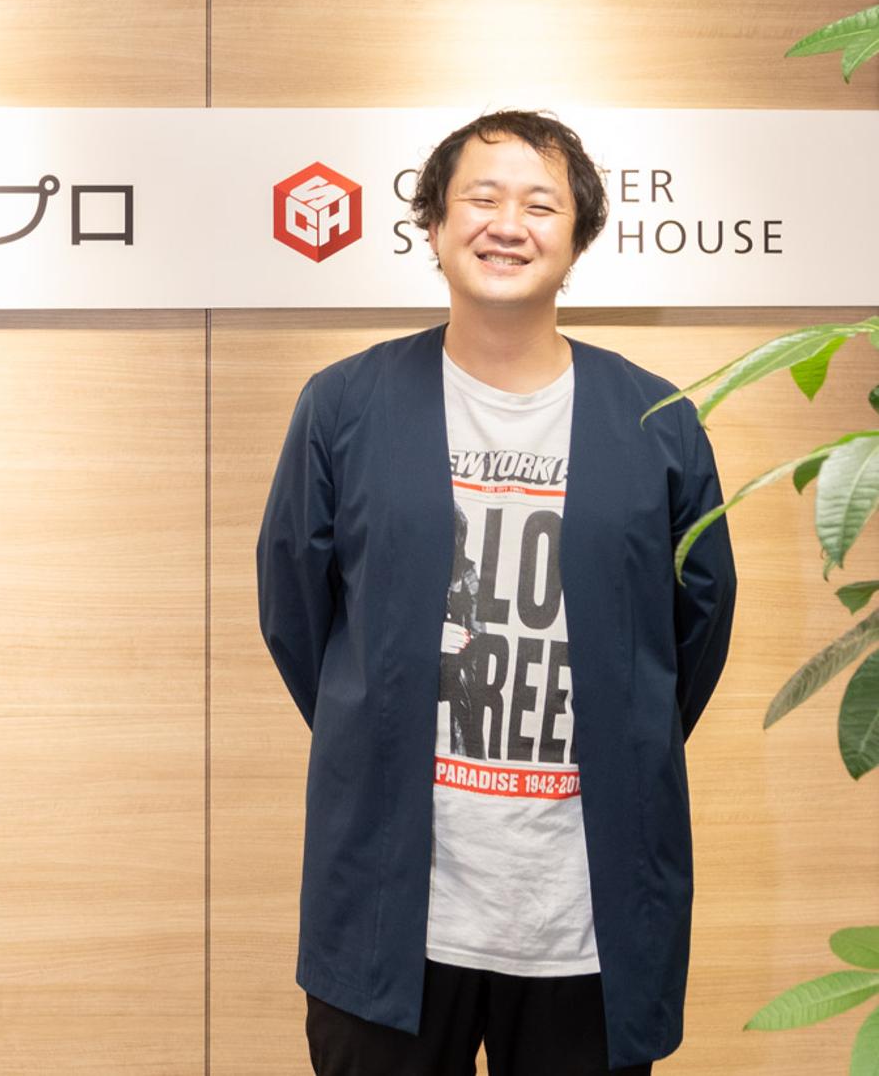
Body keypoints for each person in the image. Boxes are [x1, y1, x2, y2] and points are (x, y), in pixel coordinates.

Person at [256, 110, 736, 1075]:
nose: (507, 224)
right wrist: (378, 719)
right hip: (390, 902)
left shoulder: (658, 419)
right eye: (481, 198)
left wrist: (622, 730)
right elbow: (297, 612)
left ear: (578, 238)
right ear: (434, 226)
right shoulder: (343, 405)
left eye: (540, 204)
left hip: (582, 916)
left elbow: (696, 621)